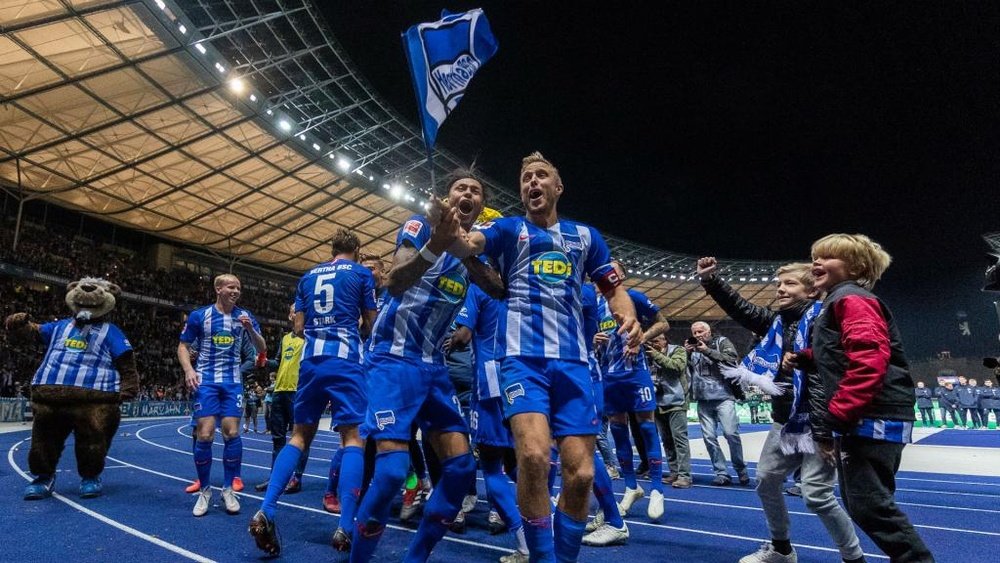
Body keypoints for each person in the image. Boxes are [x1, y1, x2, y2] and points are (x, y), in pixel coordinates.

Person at [447, 152, 641, 562]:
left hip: (573, 364)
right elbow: (472, 243)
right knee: (533, 457)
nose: (532, 183)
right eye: (525, 179)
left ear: (558, 187)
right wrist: (453, 229)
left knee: (582, 474)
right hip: (522, 361)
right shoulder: (507, 229)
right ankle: (542, 557)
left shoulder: (586, 237)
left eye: (541, 176)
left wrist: (628, 313)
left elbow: (612, 288)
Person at [349, 168, 505, 562]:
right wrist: (437, 243)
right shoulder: (419, 225)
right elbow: (395, 282)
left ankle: (414, 558)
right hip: (392, 359)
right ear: (447, 198)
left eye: (476, 191)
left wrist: (463, 250)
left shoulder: (476, 249)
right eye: (460, 188)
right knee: (389, 474)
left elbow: (497, 289)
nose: (468, 193)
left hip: (435, 366)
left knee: (459, 472)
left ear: (481, 206)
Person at [698, 258, 864, 563]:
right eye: (778, 284)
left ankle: (854, 558)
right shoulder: (778, 321)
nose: (780, 289)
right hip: (783, 419)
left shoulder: (824, 321)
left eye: (789, 284)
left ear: (812, 290)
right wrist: (711, 281)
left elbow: (823, 379)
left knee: (816, 494)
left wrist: (826, 432)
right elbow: (742, 309)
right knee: (766, 479)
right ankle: (782, 549)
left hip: (819, 420)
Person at [786, 233, 934, 562]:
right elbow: (846, 350)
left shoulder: (851, 299)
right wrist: (810, 356)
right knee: (863, 504)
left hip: (872, 413)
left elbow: (869, 356)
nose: (816, 263)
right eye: (815, 256)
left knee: (871, 506)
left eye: (827, 257)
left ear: (856, 267)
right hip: (868, 411)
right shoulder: (838, 301)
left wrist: (840, 411)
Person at [248, 230, 378, 556]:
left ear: (330, 249)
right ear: (358, 250)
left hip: (311, 363)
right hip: (347, 360)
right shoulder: (362, 274)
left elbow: (298, 328)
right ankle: (345, 527)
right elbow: (371, 323)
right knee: (352, 439)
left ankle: (267, 508)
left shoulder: (308, 276)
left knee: (299, 437)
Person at [450, 283, 530, 562]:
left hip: (489, 381)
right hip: (523, 376)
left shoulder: (477, 287)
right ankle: (545, 525)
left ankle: (525, 545)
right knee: (518, 461)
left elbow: (463, 335)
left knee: (491, 465)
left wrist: (446, 343)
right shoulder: (520, 282)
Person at [178, 273, 266, 517]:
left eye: (238, 287)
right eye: (231, 287)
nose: (236, 291)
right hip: (206, 382)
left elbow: (262, 349)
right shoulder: (200, 316)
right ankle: (205, 490)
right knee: (204, 434)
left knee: (232, 433)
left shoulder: (244, 317)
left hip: (232, 383)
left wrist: (250, 329)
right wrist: (188, 371)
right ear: (218, 289)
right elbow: (183, 346)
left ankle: (228, 489)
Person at [593, 262, 670, 520]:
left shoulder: (634, 298)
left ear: (622, 275)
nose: (607, 276)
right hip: (609, 376)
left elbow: (663, 324)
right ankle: (630, 486)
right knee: (617, 430)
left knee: (647, 426)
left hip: (635, 373)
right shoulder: (594, 305)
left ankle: (657, 489)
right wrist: (592, 338)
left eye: (613, 271)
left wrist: (641, 339)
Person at [685, 320, 748, 486]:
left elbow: (732, 360)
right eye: (695, 333)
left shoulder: (721, 342)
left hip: (724, 397)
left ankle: (741, 469)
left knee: (731, 434)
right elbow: (683, 369)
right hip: (703, 399)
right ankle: (721, 472)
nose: (698, 335)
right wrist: (686, 353)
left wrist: (708, 351)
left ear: (709, 332)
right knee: (709, 437)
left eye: (701, 332)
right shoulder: (693, 349)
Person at [253, 305, 307, 494]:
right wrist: (265, 362)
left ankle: (296, 478)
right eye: (293, 309)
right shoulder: (284, 339)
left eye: (299, 309)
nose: (295, 312)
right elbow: (279, 362)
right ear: (289, 314)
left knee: (299, 437)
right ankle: (275, 478)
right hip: (279, 391)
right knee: (278, 439)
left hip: (298, 392)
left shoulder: (311, 337)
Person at [645, 333, 691, 489]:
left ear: (665, 340)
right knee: (667, 440)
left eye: (657, 340)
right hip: (658, 402)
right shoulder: (648, 355)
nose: (654, 343)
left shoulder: (678, 350)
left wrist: (656, 355)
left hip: (676, 401)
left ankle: (685, 475)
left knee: (680, 440)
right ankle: (674, 472)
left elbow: (677, 367)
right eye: (651, 341)